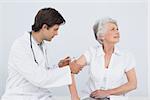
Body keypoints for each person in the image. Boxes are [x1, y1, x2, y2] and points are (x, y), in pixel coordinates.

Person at [1, 7, 81, 100]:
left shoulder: (41, 45)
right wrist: (68, 69)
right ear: (44, 27)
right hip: (20, 96)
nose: (57, 33)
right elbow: (39, 78)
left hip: (37, 95)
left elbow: (42, 71)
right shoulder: (20, 46)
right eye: (55, 29)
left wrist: (59, 66)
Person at [69, 18, 137, 100]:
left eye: (117, 29)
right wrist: (75, 96)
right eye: (112, 29)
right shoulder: (92, 52)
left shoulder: (126, 56)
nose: (117, 32)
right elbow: (71, 69)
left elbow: (133, 84)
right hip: (91, 98)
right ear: (101, 36)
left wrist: (107, 92)